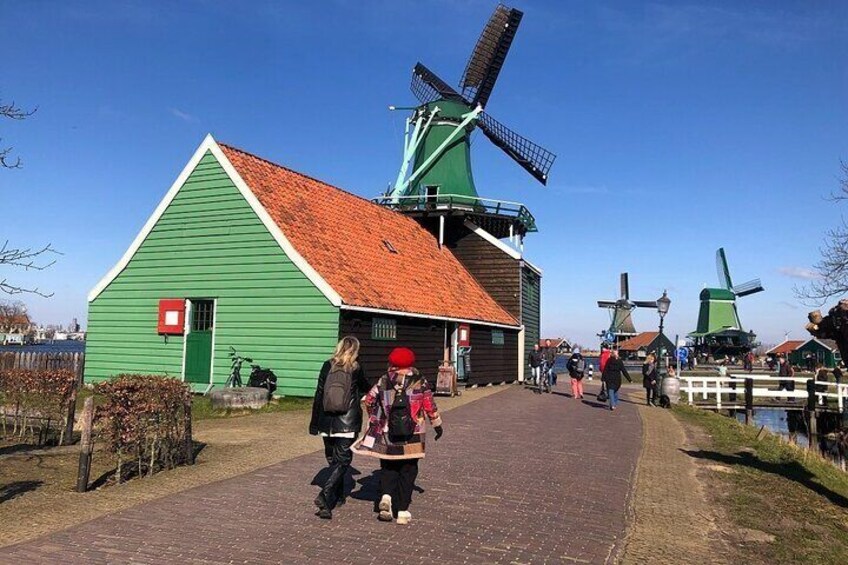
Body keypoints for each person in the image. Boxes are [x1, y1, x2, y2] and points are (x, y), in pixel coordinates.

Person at [352, 347, 443, 525]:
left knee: (388, 466)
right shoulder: (419, 381)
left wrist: (376, 417)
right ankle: (402, 511)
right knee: (409, 470)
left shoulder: (384, 380)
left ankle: (386, 497)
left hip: (388, 431)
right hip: (413, 433)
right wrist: (437, 424)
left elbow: (369, 399)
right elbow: (429, 405)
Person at [309, 336, 369, 520]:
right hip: (347, 422)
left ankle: (336, 497)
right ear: (356, 349)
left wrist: (314, 423)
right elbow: (366, 388)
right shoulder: (356, 368)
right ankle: (325, 495)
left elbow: (319, 393)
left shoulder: (327, 365)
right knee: (342, 461)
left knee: (332, 459)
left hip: (327, 420)